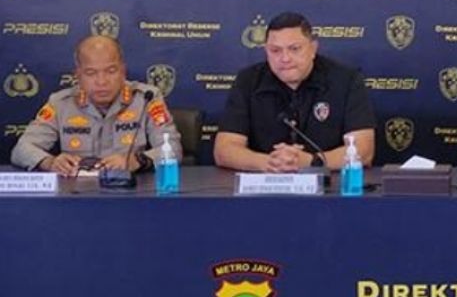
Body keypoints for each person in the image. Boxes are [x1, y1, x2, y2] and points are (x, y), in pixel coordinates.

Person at [214, 12, 375, 172]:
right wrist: (269, 162)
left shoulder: (346, 80)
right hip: (266, 183)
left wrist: (312, 161)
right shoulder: (248, 81)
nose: (285, 58)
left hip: (330, 185)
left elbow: (364, 150)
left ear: (313, 48)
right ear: (266, 51)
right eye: (275, 50)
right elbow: (224, 150)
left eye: (294, 49)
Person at [11, 35, 182, 176]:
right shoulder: (60, 103)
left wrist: (136, 161)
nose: (101, 81)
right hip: (76, 194)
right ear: (78, 75)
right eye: (91, 73)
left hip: (130, 192)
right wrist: (50, 162)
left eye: (111, 71)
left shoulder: (146, 98)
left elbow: (173, 150)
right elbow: (21, 149)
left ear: (123, 71)